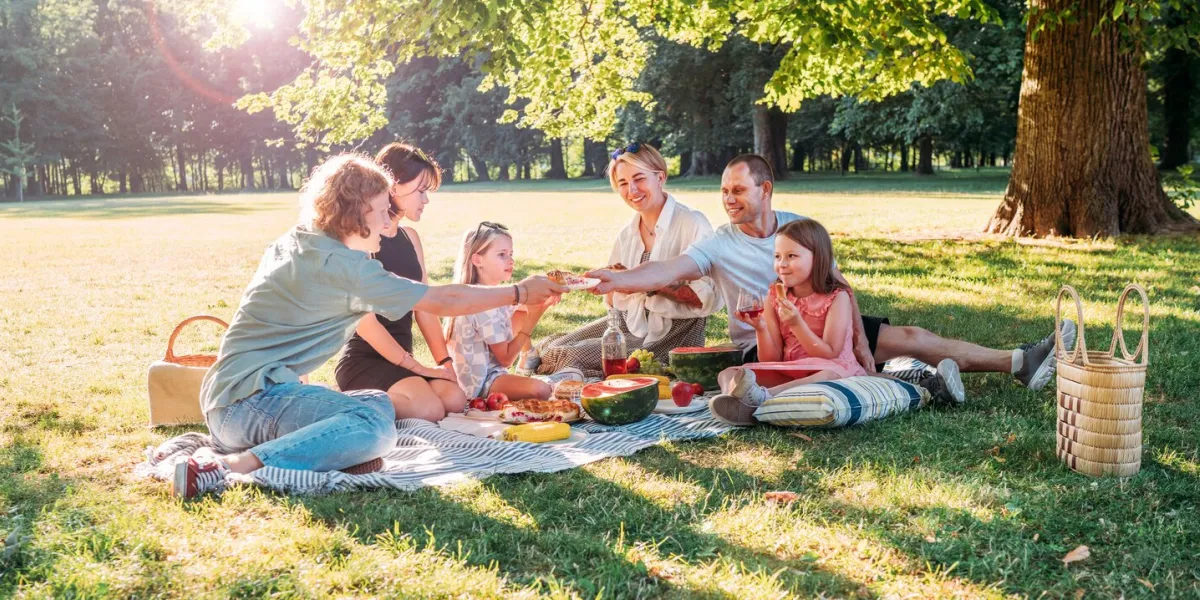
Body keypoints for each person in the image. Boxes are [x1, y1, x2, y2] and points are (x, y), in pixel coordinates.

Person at [177, 154, 566, 498]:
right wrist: (518, 293)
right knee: (374, 428)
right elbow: (441, 300)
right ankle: (229, 468)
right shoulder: (344, 267)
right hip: (247, 404)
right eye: (382, 210)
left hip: (230, 400)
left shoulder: (299, 241)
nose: (386, 222)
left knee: (375, 402)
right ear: (357, 210)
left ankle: (326, 453)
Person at [589, 154, 1075, 402]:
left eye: (738, 189)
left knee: (911, 336)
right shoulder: (718, 241)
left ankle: (1018, 362)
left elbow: (837, 284)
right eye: (723, 191)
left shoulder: (799, 226)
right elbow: (668, 270)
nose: (728, 199)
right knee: (851, 368)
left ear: (766, 189)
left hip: (825, 323)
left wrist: (861, 342)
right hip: (770, 345)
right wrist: (620, 280)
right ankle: (924, 384)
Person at [710, 219, 961, 425]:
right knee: (729, 372)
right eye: (777, 256)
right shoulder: (775, 295)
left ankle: (762, 398)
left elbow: (830, 351)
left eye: (791, 256)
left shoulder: (836, 297)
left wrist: (797, 324)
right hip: (794, 370)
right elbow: (770, 359)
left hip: (834, 367)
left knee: (827, 374)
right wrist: (761, 329)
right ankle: (733, 401)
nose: (782, 265)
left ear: (817, 258)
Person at [536, 143, 722, 377]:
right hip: (627, 324)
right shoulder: (628, 233)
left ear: (660, 177)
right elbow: (615, 299)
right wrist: (597, 283)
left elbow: (705, 301)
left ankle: (579, 375)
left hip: (671, 334)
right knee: (550, 346)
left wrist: (635, 280)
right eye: (623, 183)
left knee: (566, 356)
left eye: (639, 179)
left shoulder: (692, 223)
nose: (632, 190)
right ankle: (561, 372)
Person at [335, 143, 468, 422]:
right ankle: (338, 404)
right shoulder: (364, 241)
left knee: (454, 400)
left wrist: (444, 363)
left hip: (403, 359)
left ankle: (402, 393)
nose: (426, 199)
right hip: (365, 360)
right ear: (393, 187)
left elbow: (425, 308)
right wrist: (415, 366)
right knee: (429, 409)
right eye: (421, 190)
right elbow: (365, 322)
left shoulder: (410, 237)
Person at [445, 222, 560, 401]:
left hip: (489, 375)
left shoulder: (486, 294)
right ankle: (527, 362)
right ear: (477, 260)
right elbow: (505, 359)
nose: (511, 260)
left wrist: (539, 298)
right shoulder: (483, 304)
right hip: (479, 386)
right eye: (502, 255)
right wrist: (534, 317)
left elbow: (521, 305)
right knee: (542, 390)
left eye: (511, 254)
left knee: (521, 309)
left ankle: (526, 360)